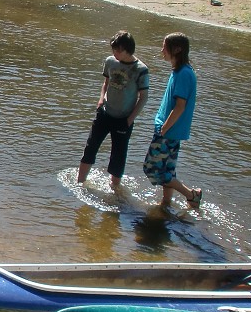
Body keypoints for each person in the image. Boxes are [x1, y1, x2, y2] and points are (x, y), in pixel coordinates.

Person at [77, 30, 149, 189]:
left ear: (128, 50)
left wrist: (130, 120)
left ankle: (115, 190)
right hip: (104, 113)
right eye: (113, 49)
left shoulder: (140, 69)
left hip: (124, 119)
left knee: (118, 157)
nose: (115, 53)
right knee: (90, 148)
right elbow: (106, 83)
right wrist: (101, 99)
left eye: (118, 50)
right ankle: (80, 183)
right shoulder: (110, 61)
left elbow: (143, 97)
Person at [142, 32, 202, 209]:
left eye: (164, 47)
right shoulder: (180, 71)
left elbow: (180, 106)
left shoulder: (183, 74)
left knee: (152, 168)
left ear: (176, 49)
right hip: (171, 131)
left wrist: (165, 128)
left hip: (168, 131)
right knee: (167, 169)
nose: (162, 50)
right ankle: (166, 204)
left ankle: (191, 194)